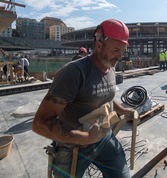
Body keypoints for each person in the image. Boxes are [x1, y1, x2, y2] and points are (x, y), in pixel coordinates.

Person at [32, 19, 135, 178]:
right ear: (99, 45)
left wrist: (121, 110)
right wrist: (85, 138)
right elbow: (40, 123)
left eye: (122, 50)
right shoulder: (74, 72)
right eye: (116, 50)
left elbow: (103, 96)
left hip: (104, 137)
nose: (120, 56)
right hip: (73, 147)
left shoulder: (110, 68)